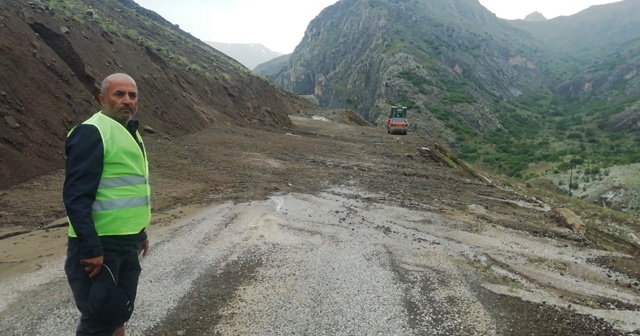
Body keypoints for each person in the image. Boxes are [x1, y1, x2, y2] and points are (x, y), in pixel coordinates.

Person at [63, 73, 151, 336]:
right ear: (102, 98)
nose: (127, 101)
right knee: (98, 320)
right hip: (100, 245)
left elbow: (129, 189)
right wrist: (91, 247)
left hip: (126, 243)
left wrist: (140, 233)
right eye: (119, 94)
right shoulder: (93, 132)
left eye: (132, 95)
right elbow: (76, 195)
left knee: (118, 313)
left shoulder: (129, 132)